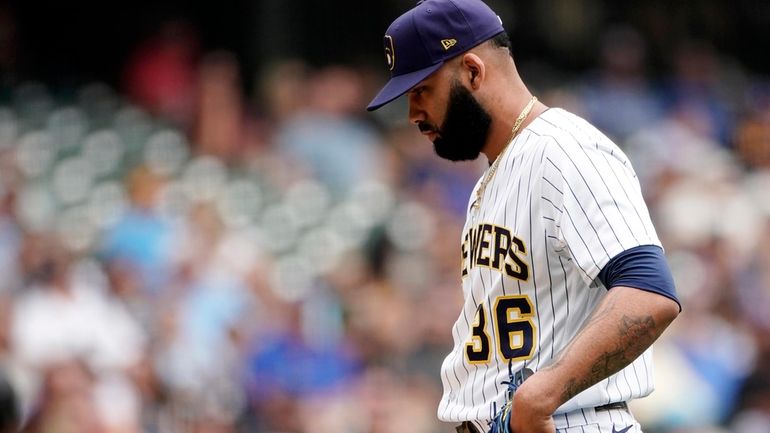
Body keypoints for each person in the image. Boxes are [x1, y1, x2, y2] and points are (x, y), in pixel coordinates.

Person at [366, 1, 681, 433]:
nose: (413, 114)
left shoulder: (564, 150)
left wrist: (542, 393)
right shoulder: (492, 177)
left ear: (473, 71)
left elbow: (649, 293)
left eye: (422, 90)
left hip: (571, 422)